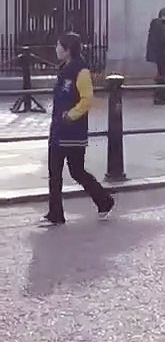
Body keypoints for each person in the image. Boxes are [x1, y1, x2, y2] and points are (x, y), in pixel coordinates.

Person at [40, 32, 115, 226]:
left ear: (67, 50)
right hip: (59, 129)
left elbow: (87, 99)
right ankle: (57, 213)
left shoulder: (81, 71)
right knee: (57, 172)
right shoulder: (64, 68)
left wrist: (70, 115)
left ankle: (103, 200)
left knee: (76, 172)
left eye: (59, 46)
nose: (56, 49)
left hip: (72, 130)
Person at [146, 7, 165, 105]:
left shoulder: (157, 24)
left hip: (158, 54)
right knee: (162, 76)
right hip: (161, 54)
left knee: (161, 75)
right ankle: (159, 97)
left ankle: (161, 96)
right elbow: (164, 41)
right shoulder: (160, 25)